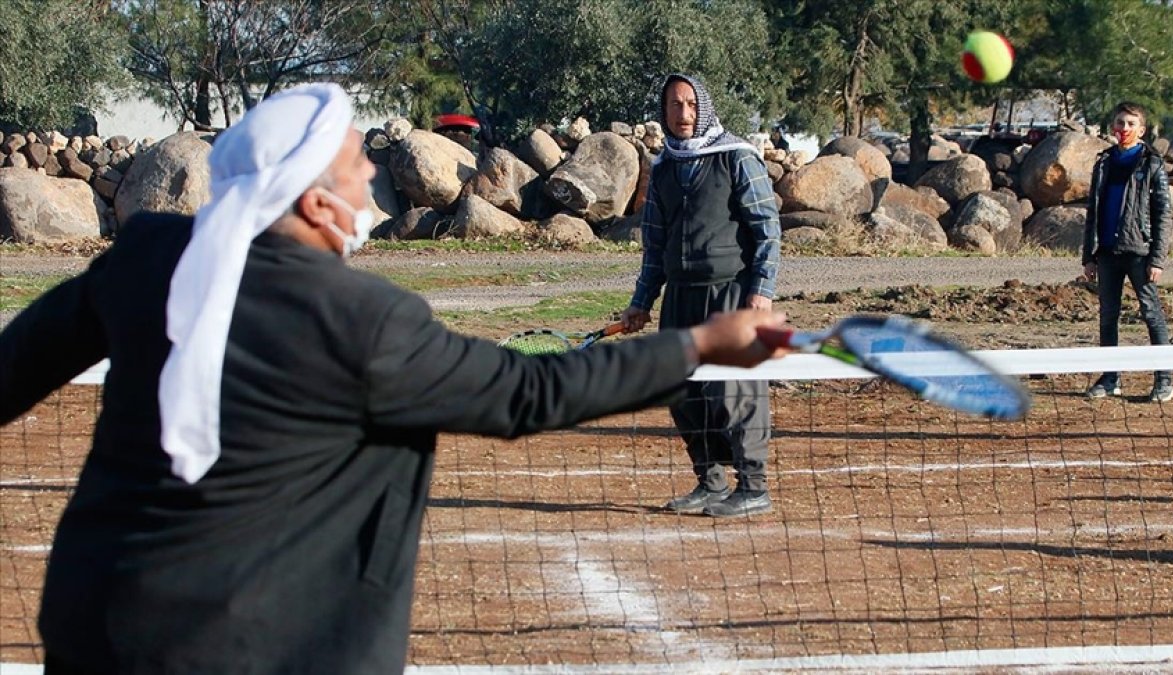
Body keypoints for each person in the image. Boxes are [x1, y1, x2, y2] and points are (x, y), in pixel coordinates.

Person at [0, 83, 785, 673]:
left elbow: (11, 368)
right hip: (250, 648)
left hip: (91, 619)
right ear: (313, 200)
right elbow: (533, 393)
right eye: (356, 162)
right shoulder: (367, 319)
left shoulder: (145, 257)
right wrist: (704, 344)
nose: (374, 171)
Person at [619, 73, 782, 518]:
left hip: (731, 293)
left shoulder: (736, 157)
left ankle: (753, 487)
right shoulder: (665, 167)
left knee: (735, 390)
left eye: (691, 104)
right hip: (680, 298)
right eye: (674, 105)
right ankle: (710, 481)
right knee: (683, 392)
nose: (684, 114)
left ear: (704, 107)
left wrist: (761, 292)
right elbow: (654, 246)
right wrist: (642, 302)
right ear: (664, 111)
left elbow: (768, 230)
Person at [1081, 100, 1173, 402]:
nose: (1124, 128)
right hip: (1107, 252)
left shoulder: (1153, 164)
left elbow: (1163, 214)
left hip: (1140, 253)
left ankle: (1164, 382)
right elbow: (1092, 212)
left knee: (1151, 314)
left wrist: (1157, 258)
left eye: (1130, 124)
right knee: (1108, 317)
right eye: (1120, 123)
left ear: (1141, 129)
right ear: (1113, 126)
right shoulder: (1104, 162)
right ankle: (1110, 379)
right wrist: (1089, 255)